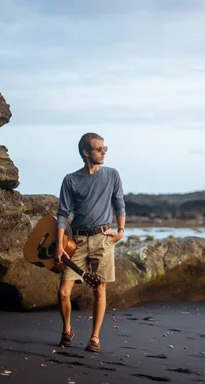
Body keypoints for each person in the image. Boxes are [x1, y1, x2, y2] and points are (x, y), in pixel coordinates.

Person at [55, 132, 125, 352]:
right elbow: (62, 213)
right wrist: (59, 244)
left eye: (105, 148)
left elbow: (119, 203)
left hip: (103, 239)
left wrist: (121, 231)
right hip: (76, 242)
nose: (104, 152)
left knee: (99, 290)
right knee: (63, 292)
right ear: (86, 153)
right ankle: (67, 329)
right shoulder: (71, 180)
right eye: (99, 149)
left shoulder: (112, 175)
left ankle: (94, 338)